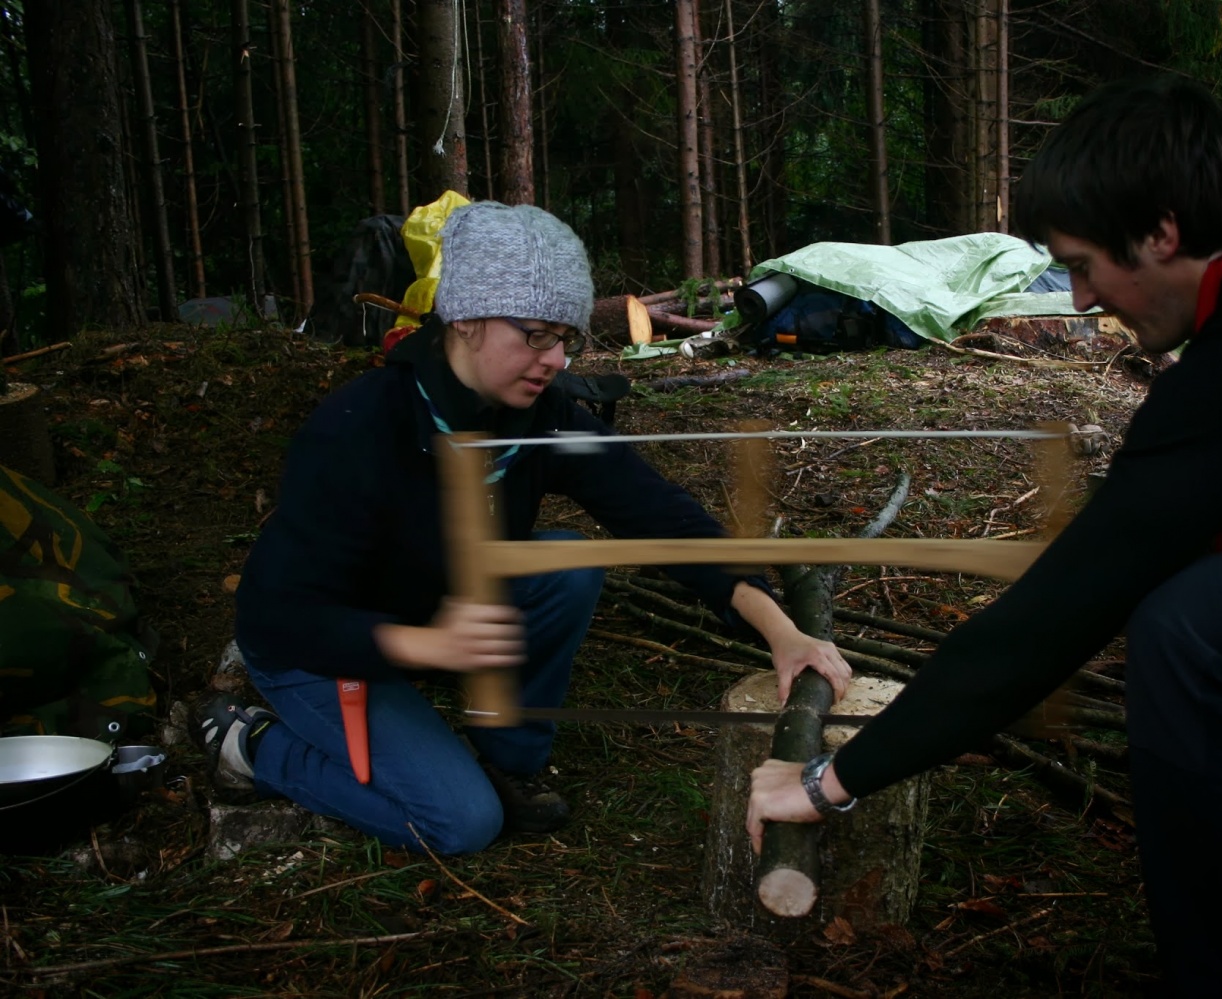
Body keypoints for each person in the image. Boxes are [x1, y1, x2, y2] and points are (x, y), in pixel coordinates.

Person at [744, 76, 1222, 997]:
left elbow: (1063, 609)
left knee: (1206, 628)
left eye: (1083, 264)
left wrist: (831, 779)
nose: (1085, 298)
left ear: (1161, 233)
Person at [210, 201, 851, 855]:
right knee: (460, 822)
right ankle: (254, 745)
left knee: (567, 563)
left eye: (566, 337)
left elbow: (659, 515)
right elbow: (284, 614)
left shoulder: (540, 416)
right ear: (466, 318)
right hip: (320, 646)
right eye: (536, 334)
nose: (554, 357)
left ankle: (507, 754)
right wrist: (426, 646)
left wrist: (781, 629)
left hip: (435, 611)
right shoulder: (359, 427)